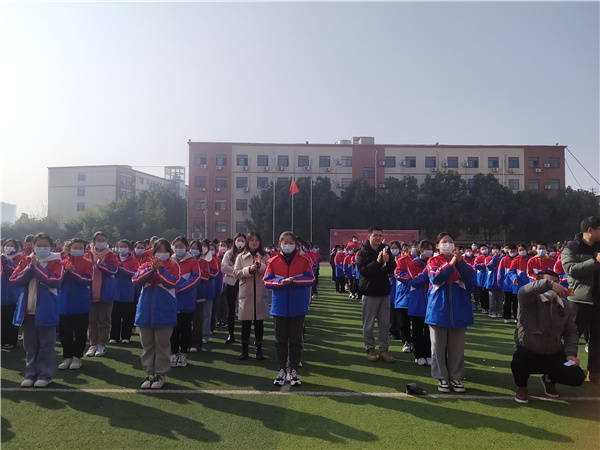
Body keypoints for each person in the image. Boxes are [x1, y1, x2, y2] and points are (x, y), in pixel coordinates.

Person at [511, 270, 585, 403]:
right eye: (550, 282)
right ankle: (522, 387)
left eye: (556, 282)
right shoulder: (528, 300)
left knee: (577, 376)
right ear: (539, 283)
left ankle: (549, 379)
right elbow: (523, 291)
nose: (554, 286)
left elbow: (571, 332)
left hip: (553, 352)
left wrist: (571, 354)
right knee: (520, 358)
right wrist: (548, 284)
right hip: (530, 351)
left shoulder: (564, 305)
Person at [10, 232, 64, 387]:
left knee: (46, 346)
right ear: (33, 246)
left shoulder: (56, 261)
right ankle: (30, 374)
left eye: (45, 245)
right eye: (38, 245)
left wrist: (37, 267)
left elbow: (54, 280)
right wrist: (30, 267)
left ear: (51, 247)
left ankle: (44, 375)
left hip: (46, 310)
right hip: (27, 310)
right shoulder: (26, 260)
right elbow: (15, 279)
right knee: (30, 346)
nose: (42, 248)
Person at [426, 232, 475, 393]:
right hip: (438, 309)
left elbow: (470, 277)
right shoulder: (433, 261)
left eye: (450, 241)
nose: (448, 244)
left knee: (457, 347)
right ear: (437, 246)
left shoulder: (462, 262)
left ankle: (455, 377)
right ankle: (441, 377)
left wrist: (459, 263)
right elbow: (437, 278)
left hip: (459, 309)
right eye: (444, 242)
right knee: (438, 347)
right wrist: (452, 263)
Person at [264, 231, 314, 386]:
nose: (288, 245)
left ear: (296, 244)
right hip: (279, 307)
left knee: (296, 341)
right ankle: (281, 369)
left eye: (291, 243)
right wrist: (281, 282)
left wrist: (294, 280)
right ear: (279, 244)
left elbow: (310, 279)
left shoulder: (304, 260)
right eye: (285, 243)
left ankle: (293, 370)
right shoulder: (273, 261)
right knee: (280, 341)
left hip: (298, 307)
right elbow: (266, 281)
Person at [132, 238, 181, 389]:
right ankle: (149, 374)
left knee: (162, 345)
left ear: (170, 253)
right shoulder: (146, 265)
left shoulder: (173, 266)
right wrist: (151, 269)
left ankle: (161, 374)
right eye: (159, 251)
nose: (162, 254)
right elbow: (135, 280)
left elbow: (172, 282)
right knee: (147, 346)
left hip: (164, 313)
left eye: (165, 251)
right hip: (145, 312)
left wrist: (160, 269)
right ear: (153, 253)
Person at [561, 216, 600, 384]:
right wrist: (595, 262)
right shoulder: (572, 247)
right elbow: (571, 270)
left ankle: (595, 372)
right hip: (579, 300)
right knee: (572, 337)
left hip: (598, 301)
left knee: (597, 339)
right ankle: (562, 370)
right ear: (590, 230)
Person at [356, 225, 396, 363]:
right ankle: (370, 349)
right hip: (369, 292)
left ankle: (384, 350)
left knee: (385, 324)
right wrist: (377, 262)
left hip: (384, 291)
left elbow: (391, 269)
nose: (378, 238)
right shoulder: (363, 251)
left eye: (380, 235)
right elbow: (363, 271)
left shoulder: (385, 249)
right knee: (369, 324)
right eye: (375, 235)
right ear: (369, 237)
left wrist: (388, 261)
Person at [57, 238, 93, 370]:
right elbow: (57, 281)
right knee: (64, 333)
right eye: (75, 247)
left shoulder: (88, 263)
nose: (78, 250)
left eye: (80, 248)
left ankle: (77, 357)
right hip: (63, 305)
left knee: (80, 333)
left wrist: (74, 272)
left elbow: (88, 280)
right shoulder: (62, 263)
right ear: (69, 249)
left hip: (81, 304)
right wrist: (66, 272)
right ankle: (67, 356)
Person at [233, 231, 269, 361]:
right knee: (246, 323)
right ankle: (244, 350)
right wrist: (249, 269)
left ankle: (259, 350)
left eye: (256, 240)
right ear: (248, 242)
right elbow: (236, 273)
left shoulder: (265, 256)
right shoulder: (241, 257)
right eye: (251, 240)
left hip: (260, 293)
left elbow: (270, 271)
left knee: (259, 323)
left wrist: (260, 266)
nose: (254, 242)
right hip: (246, 293)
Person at [86, 231, 118, 358]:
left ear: (107, 241)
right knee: (92, 320)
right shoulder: (88, 254)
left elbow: (113, 269)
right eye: (98, 240)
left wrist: (100, 265)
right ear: (94, 242)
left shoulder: (111, 255)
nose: (101, 242)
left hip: (106, 292)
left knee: (104, 320)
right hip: (90, 292)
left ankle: (101, 344)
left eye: (103, 240)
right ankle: (93, 344)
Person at [170, 236, 200, 368]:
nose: (178, 249)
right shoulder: (169, 261)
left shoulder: (193, 261)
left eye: (181, 246)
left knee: (185, 329)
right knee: (173, 330)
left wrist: (179, 288)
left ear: (186, 247)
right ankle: (173, 354)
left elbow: (196, 278)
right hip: (171, 302)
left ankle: (183, 355)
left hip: (186, 302)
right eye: (176, 246)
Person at [406, 240, 433, 366]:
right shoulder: (413, 264)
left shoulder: (433, 262)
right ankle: (418, 354)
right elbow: (414, 281)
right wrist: (427, 270)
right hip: (418, 301)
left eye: (431, 249)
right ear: (420, 249)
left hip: (431, 302)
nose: (429, 251)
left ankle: (428, 353)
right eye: (427, 248)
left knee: (429, 331)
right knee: (417, 330)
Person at [110, 239, 139, 345]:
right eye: (121, 246)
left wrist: (121, 268)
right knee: (115, 317)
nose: (123, 248)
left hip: (128, 293)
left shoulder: (133, 260)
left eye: (125, 246)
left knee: (127, 317)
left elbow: (134, 273)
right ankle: (114, 336)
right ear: (117, 248)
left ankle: (126, 336)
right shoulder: (113, 258)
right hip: (115, 293)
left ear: (129, 248)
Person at [220, 233, 246, 344]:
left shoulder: (247, 254)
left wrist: (237, 270)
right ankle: (231, 334)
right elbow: (223, 267)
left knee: (244, 309)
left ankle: (245, 336)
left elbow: (248, 268)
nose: (240, 242)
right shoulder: (229, 253)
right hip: (231, 283)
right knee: (231, 309)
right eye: (238, 240)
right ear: (234, 241)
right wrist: (238, 272)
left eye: (243, 240)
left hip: (244, 283)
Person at [1, 238, 23, 348]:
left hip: (14, 295)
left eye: (12, 245)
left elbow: (16, 270)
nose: (9, 247)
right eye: (7, 245)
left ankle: (11, 341)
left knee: (11, 319)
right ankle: (3, 340)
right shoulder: (2, 258)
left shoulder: (19, 259)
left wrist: (7, 262)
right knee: (2, 319)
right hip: (2, 294)